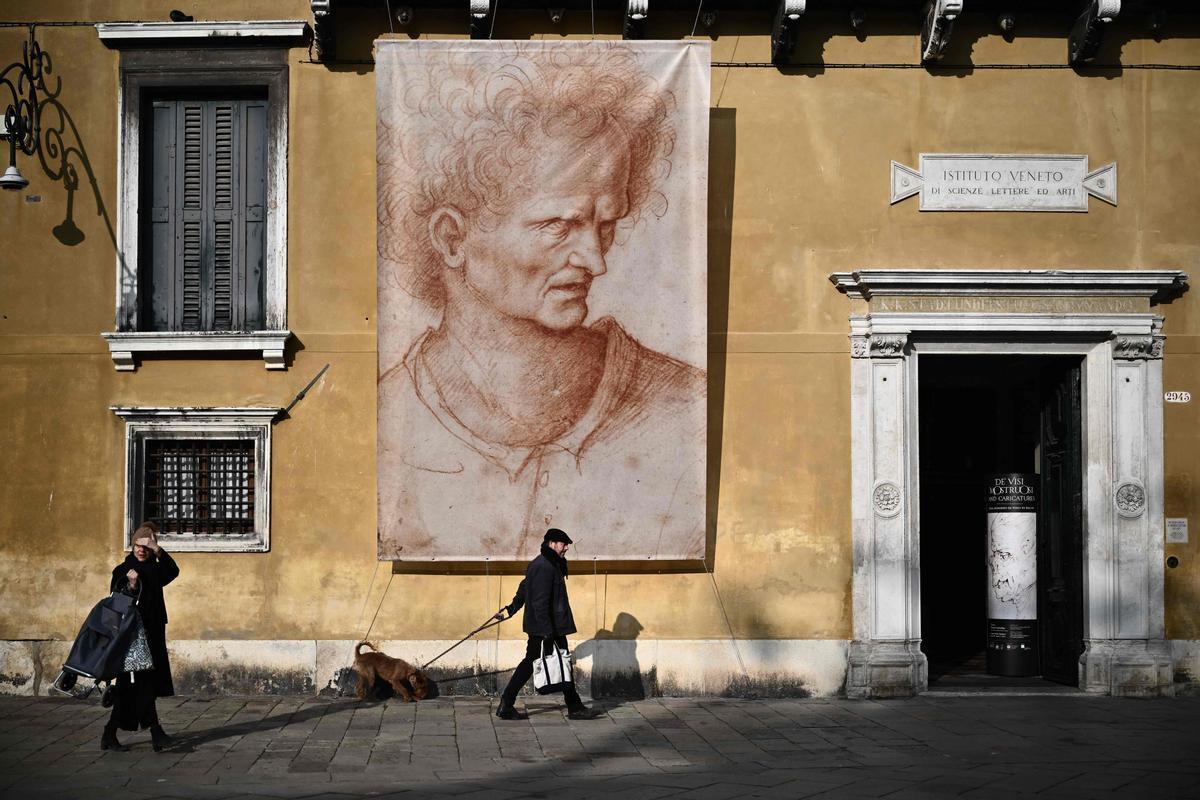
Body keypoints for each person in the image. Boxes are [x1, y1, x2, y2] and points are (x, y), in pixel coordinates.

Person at [376, 43, 707, 561]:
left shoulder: (684, 410)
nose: (596, 263)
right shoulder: (392, 414)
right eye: (558, 225)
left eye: (606, 226)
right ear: (451, 239)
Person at [493, 528, 600, 721]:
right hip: (547, 627)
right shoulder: (544, 566)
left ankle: (572, 705)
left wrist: (510, 609)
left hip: (549, 626)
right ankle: (508, 703)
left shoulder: (546, 563)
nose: (566, 547)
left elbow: (524, 588)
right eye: (563, 543)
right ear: (552, 543)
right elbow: (538, 601)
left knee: (548, 662)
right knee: (534, 663)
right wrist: (546, 632)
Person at [101, 522, 178, 752]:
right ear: (132, 546)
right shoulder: (123, 570)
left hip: (152, 634)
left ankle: (111, 733)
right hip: (132, 637)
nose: (141, 550)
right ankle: (155, 733)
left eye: (145, 547)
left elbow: (173, 571)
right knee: (139, 684)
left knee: (137, 685)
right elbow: (117, 599)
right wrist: (132, 586)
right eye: (138, 545)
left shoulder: (155, 569)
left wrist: (158, 548)